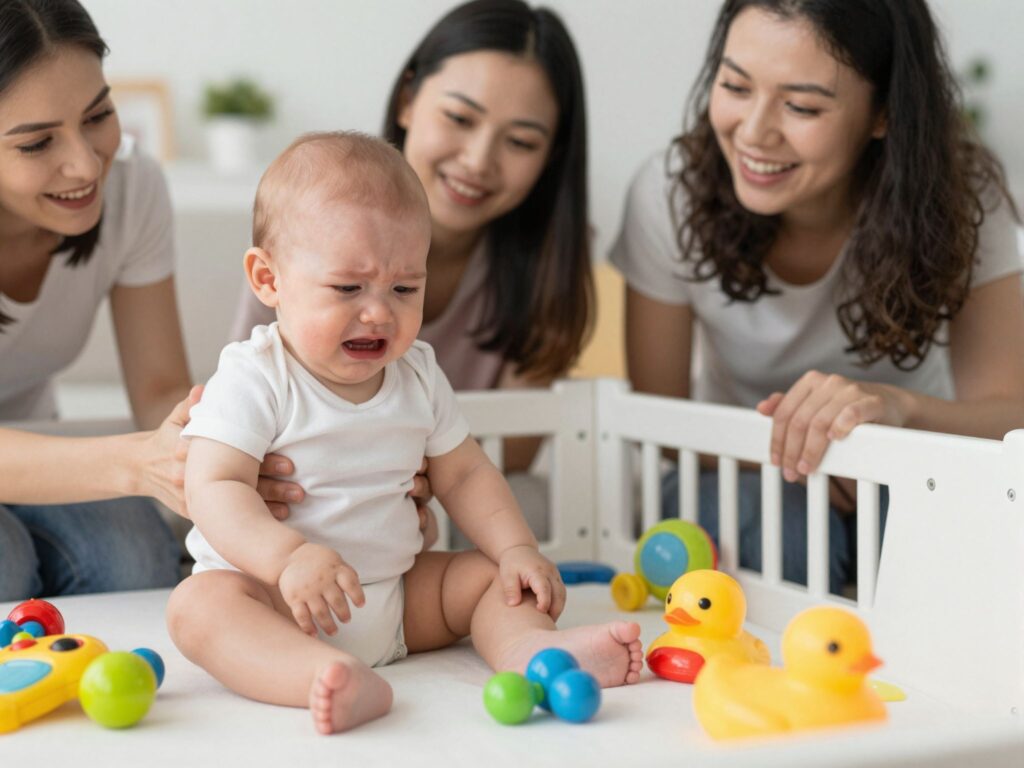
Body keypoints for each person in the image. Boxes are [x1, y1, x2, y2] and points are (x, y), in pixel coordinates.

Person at [167, 132, 642, 735]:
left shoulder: (417, 372)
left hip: (395, 599)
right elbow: (214, 486)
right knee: (198, 608)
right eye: (347, 288)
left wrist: (515, 549)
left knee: (482, 579)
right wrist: (285, 559)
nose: (378, 312)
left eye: (404, 288)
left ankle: (533, 655)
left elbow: (465, 472)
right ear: (268, 279)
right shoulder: (255, 375)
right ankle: (316, 675)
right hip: (278, 602)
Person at [611, 0, 1024, 593]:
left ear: (883, 112)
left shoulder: (961, 200)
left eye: (801, 105)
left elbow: (1009, 417)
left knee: (942, 531)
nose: (753, 133)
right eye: (734, 85)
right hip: (735, 469)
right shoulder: (671, 193)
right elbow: (662, 430)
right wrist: (818, 458)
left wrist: (898, 414)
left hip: (908, 465)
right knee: (782, 528)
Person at [0, 0, 297, 601]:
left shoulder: (132, 189)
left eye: (98, 114)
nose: (86, 163)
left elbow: (161, 389)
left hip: (40, 444)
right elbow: (138, 455)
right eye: (36, 144)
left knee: (135, 560)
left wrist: (238, 446)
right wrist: (137, 464)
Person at [231, 0, 592, 474]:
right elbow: (249, 408)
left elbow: (510, 456)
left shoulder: (551, 260)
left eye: (521, 142)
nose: (479, 161)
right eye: (460, 119)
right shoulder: (310, 222)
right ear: (408, 99)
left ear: (551, 156)